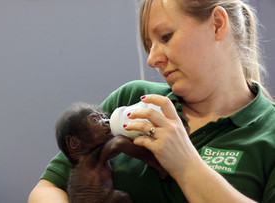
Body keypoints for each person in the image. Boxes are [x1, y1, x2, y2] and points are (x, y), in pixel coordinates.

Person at [28, 0, 275, 202]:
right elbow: (45, 191)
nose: (152, 58)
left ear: (217, 25)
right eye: (149, 45)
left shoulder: (269, 132)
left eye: (165, 36)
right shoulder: (130, 99)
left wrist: (185, 164)